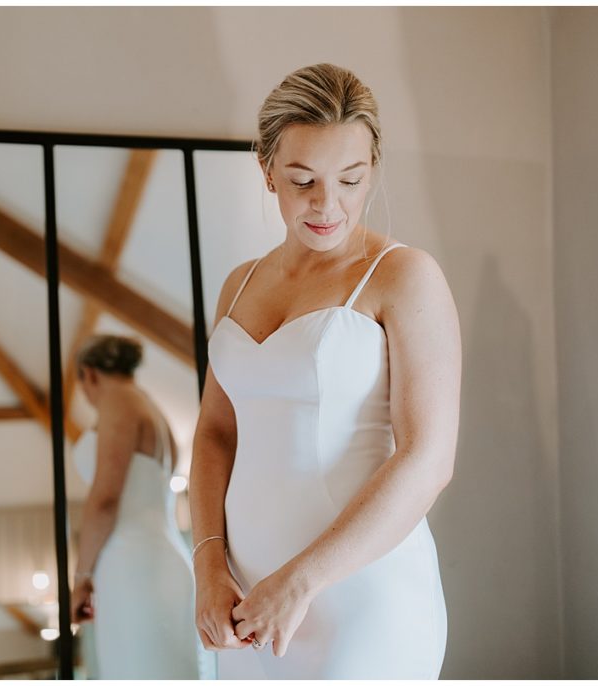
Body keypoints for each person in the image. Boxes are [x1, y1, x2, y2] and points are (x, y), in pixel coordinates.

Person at [189, 63, 460, 679]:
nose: (326, 204)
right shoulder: (239, 284)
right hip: (245, 606)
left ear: (373, 169)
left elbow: (428, 458)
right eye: (303, 179)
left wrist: (302, 580)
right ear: (266, 172)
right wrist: (207, 568)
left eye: (350, 179)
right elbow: (215, 434)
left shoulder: (404, 275)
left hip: (360, 597)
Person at [69, 334, 204, 679]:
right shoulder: (152, 408)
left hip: (131, 562)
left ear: (89, 374)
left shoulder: (118, 405)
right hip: (166, 555)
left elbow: (105, 500)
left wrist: (82, 577)